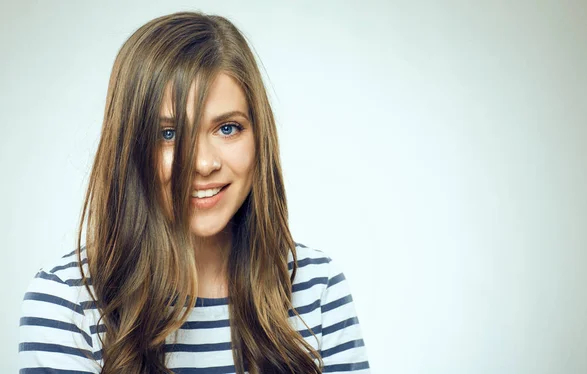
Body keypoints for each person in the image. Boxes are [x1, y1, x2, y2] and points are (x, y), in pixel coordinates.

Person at [18, 11, 370, 374]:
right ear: (130, 147)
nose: (202, 164)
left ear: (258, 137)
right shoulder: (65, 300)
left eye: (228, 128)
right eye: (168, 134)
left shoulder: (317, 288)